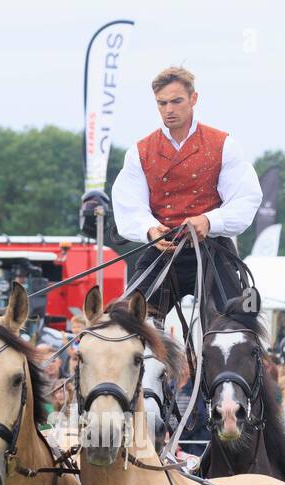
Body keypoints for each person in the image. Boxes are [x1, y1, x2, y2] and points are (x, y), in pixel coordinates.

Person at [112, 65, 262, 316]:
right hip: (163, 250)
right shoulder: (140, 151)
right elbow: (129, 205)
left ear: (194, 99)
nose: (169, 110)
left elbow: (246, 199)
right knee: (124, 319)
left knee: (239, 324)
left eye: (176, 101)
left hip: (213, 250)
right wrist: (149, 229)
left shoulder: (223, 144)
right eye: (162, 103)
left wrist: (209, 220)